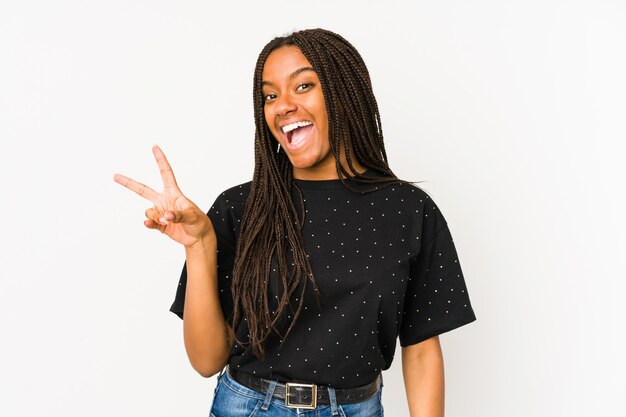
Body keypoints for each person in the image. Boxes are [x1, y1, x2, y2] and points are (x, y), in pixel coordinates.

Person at [114, 28, 476, 417]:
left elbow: (421, 351)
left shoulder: (409, 210)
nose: (282, 105)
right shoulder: (238, 208)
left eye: (302, 86)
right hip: (248, 407)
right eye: (270, 95)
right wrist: (199, 245)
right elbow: (206, 361)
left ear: (343, 92)